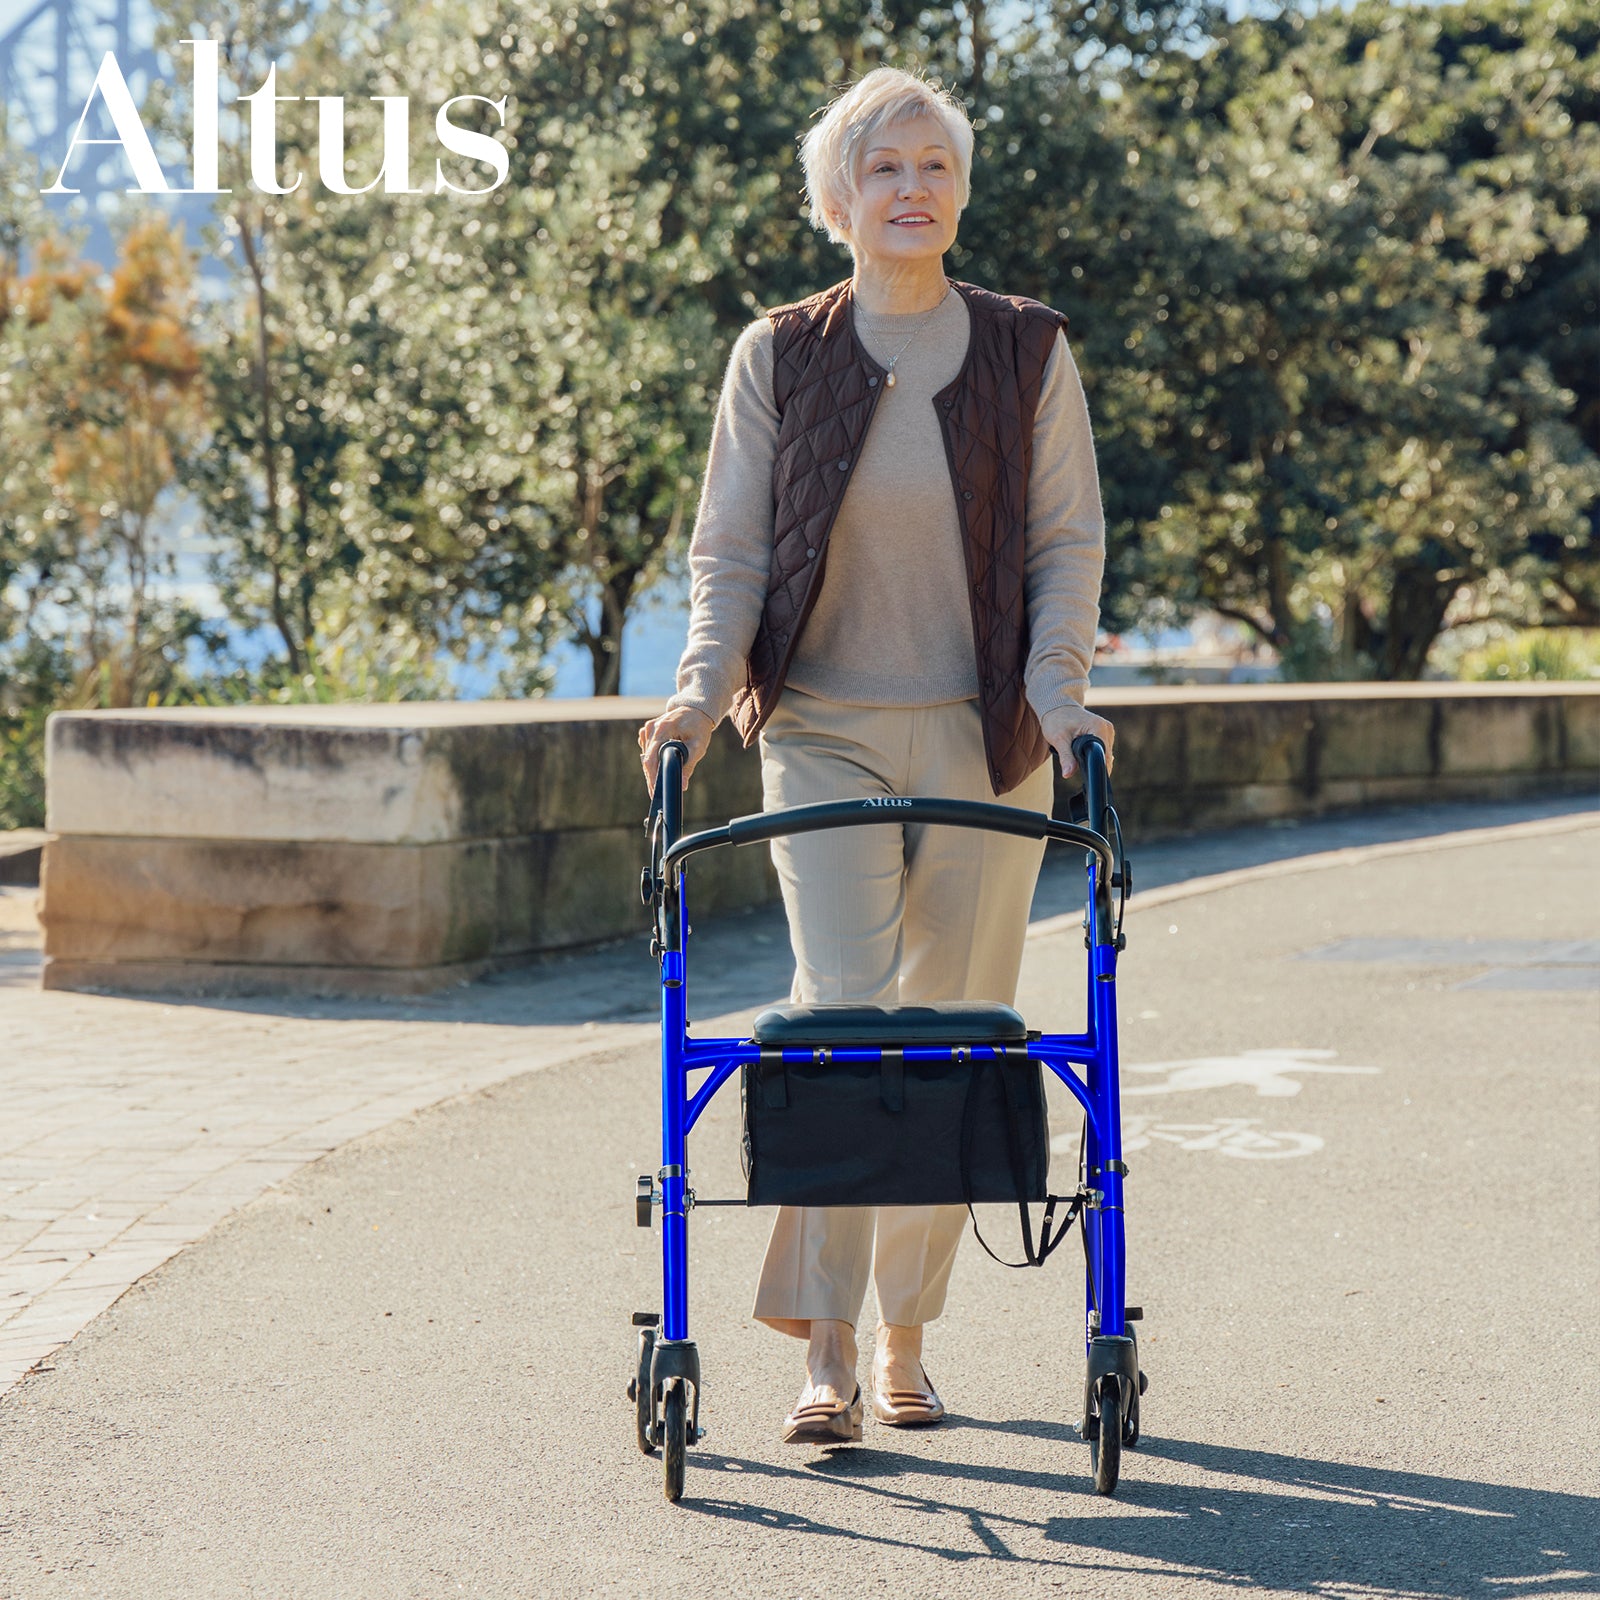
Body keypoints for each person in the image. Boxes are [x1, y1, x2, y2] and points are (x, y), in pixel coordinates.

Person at [637, 65, 1114, 1444]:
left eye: (934, 165)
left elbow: (1065, 542)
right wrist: (692, 696)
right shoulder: (781, 353)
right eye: (884, 167)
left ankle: (910, 1338)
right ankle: (826, 1349)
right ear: (837, 200)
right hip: (827, 724)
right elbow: (729, 553)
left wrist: (1061, 689)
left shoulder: (1027, 349)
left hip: (987, 731)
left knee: (960, 1026)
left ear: (959, 189)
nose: (913, 188)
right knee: (842, 1015)